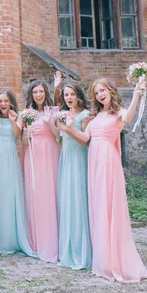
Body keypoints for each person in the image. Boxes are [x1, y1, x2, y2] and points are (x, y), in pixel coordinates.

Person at [60, 78, 147, 282]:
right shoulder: (95, 115)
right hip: (94, 164)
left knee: (111, 208)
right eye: (97, 92)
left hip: (108, 162)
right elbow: (84, 138)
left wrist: (136, 94)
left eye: (103, 91)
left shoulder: (118, 113)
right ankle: (103, 259)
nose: (100, 95)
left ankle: (116, 260)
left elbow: (129, 116)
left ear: (110, 91)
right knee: (98, 208)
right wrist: (67, 129)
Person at [0, 89, 36, 257]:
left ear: (11, 102)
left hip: (9, 157)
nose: (3, 104)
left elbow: (17, 136)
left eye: (6, 101)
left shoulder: (18, 116)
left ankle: (10, 238)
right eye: (0, 101)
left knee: (9, 196)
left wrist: (13, 120)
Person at [22, 80, 60, 263]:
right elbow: (21, 141)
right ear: (31, 94)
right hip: (33, 155)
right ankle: (36, 239)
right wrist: (26, 133)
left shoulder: (53, 111)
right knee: (35, 195)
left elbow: (59, 136)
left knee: (51, 194)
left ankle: (53, 239)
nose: (38, 95)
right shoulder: (27, 113)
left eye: (41, 91)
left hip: (50, 153)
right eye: (35, 92)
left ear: (46, 93)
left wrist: (48, 122)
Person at [55, 82, 92, 270]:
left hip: (79, 159)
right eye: (66, 95)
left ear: (78, 95)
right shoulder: (64, 114)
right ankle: (68, 249)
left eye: (71, 94)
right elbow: (61, 138)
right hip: (66, 158)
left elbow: (86, 142)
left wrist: (69, 129)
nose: (69, 98)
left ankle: (83, 251)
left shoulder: (85, 115)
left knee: (78, 200)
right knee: (67, 201)